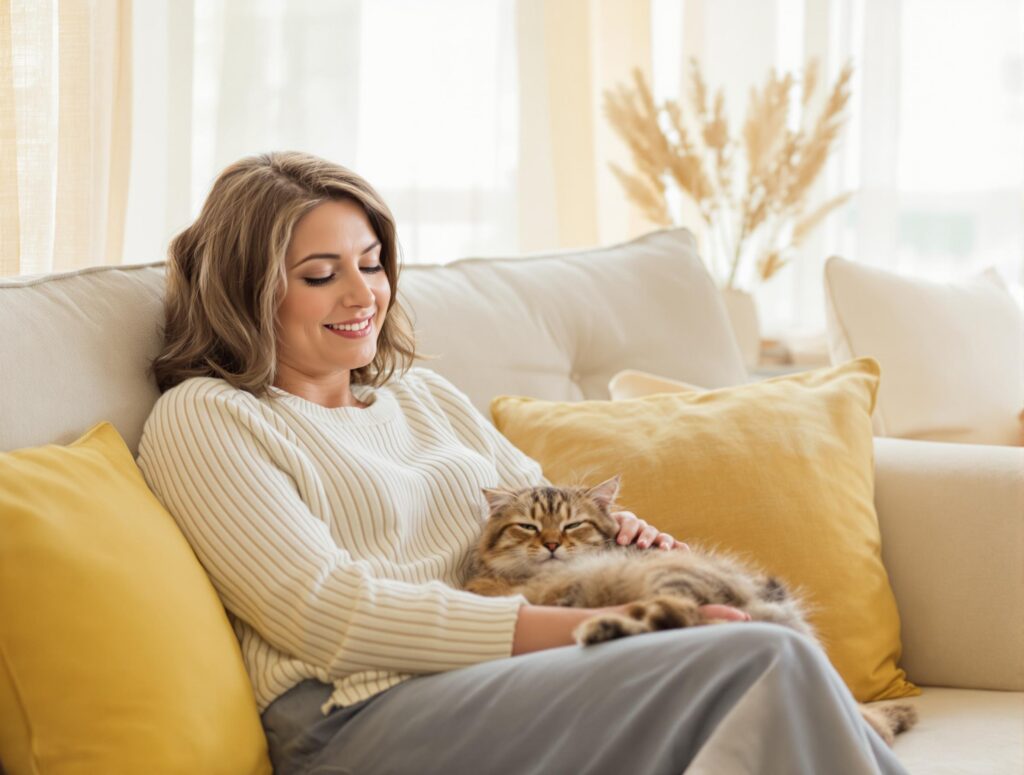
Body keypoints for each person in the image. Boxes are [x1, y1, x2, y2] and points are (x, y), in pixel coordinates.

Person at [136, 151, 908, 775]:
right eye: (320, 274)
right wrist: (606, 624)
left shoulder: (421, 395)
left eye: (371, 264)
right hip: (360, 712)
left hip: (501, 675)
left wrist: (615, 538)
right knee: (756, 655)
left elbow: (539, 502)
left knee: (766, 653)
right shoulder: (209, 416)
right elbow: (332, 616)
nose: (362, 293)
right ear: (244, 290)